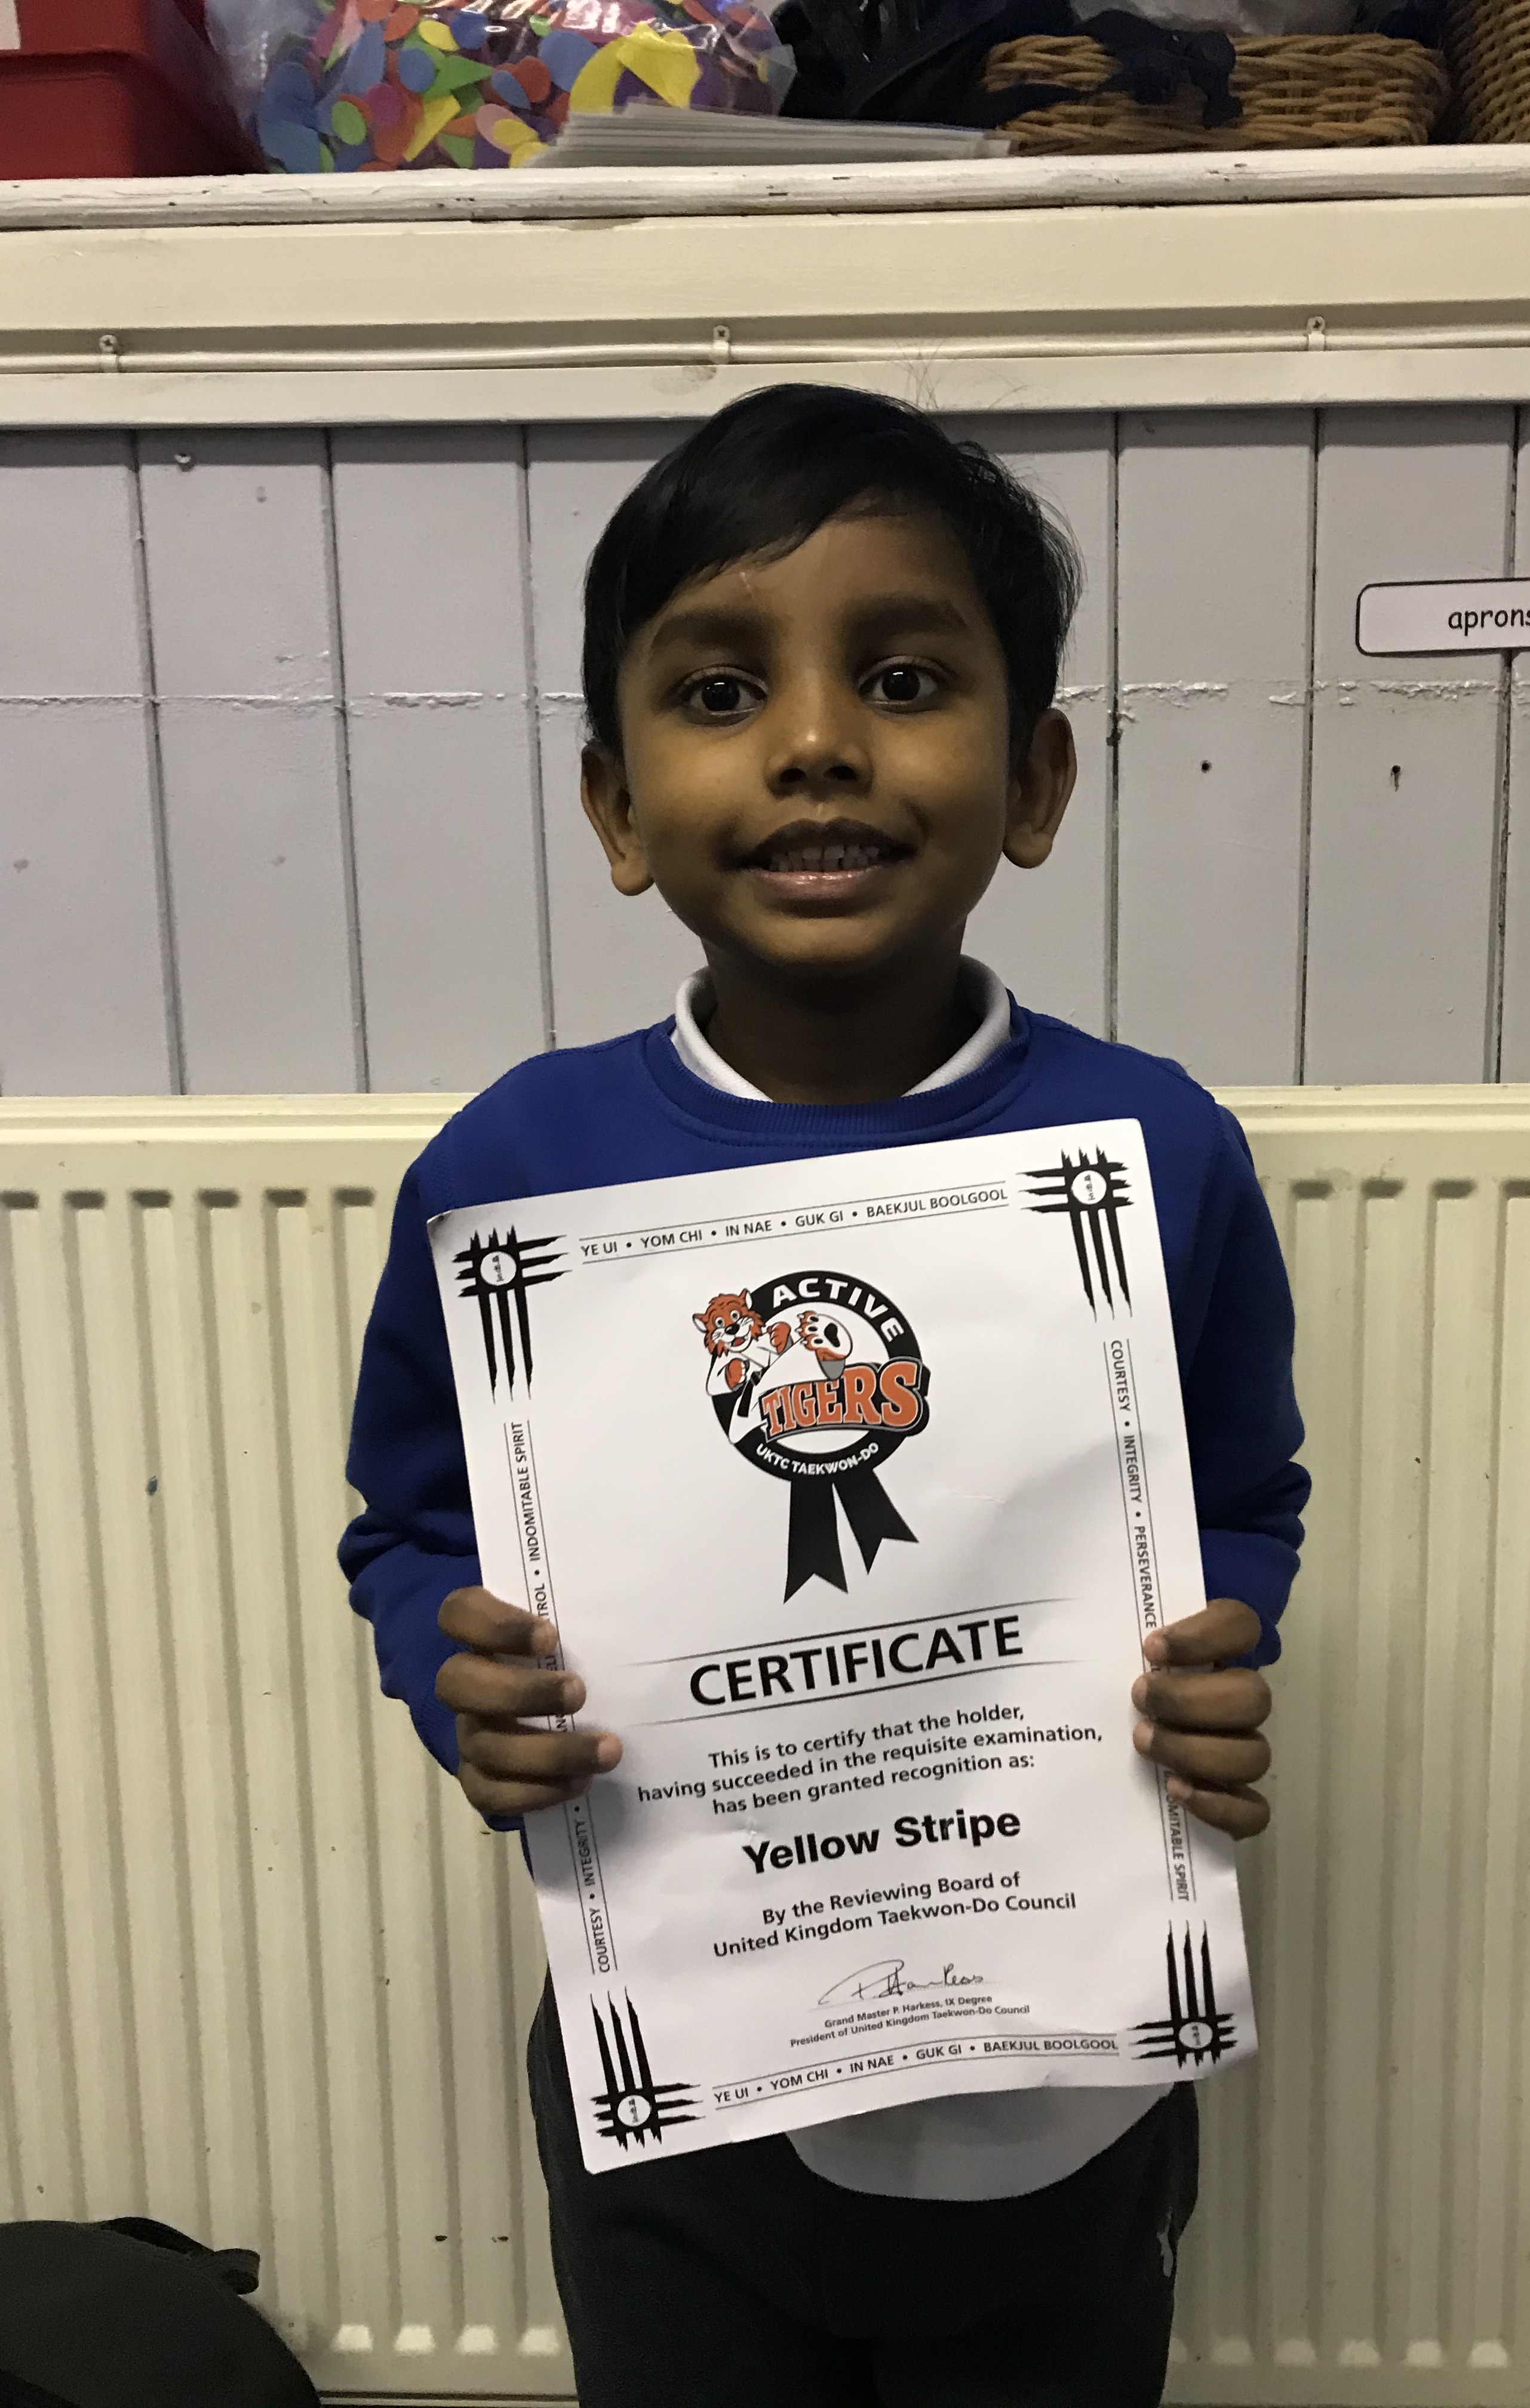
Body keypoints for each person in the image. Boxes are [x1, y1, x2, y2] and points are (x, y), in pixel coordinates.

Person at [339, 383, 1308, 2408]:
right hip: (689, 2075)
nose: (813, 744)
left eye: (903, 677)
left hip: (1069, 2065)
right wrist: (461, 1675)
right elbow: (413, 1522)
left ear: (1033, 779)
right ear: (618, 809)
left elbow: (1241, 1489)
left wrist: (1215, 1638)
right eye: (719, 691)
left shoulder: (1157, 1153)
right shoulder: (516, 1176)